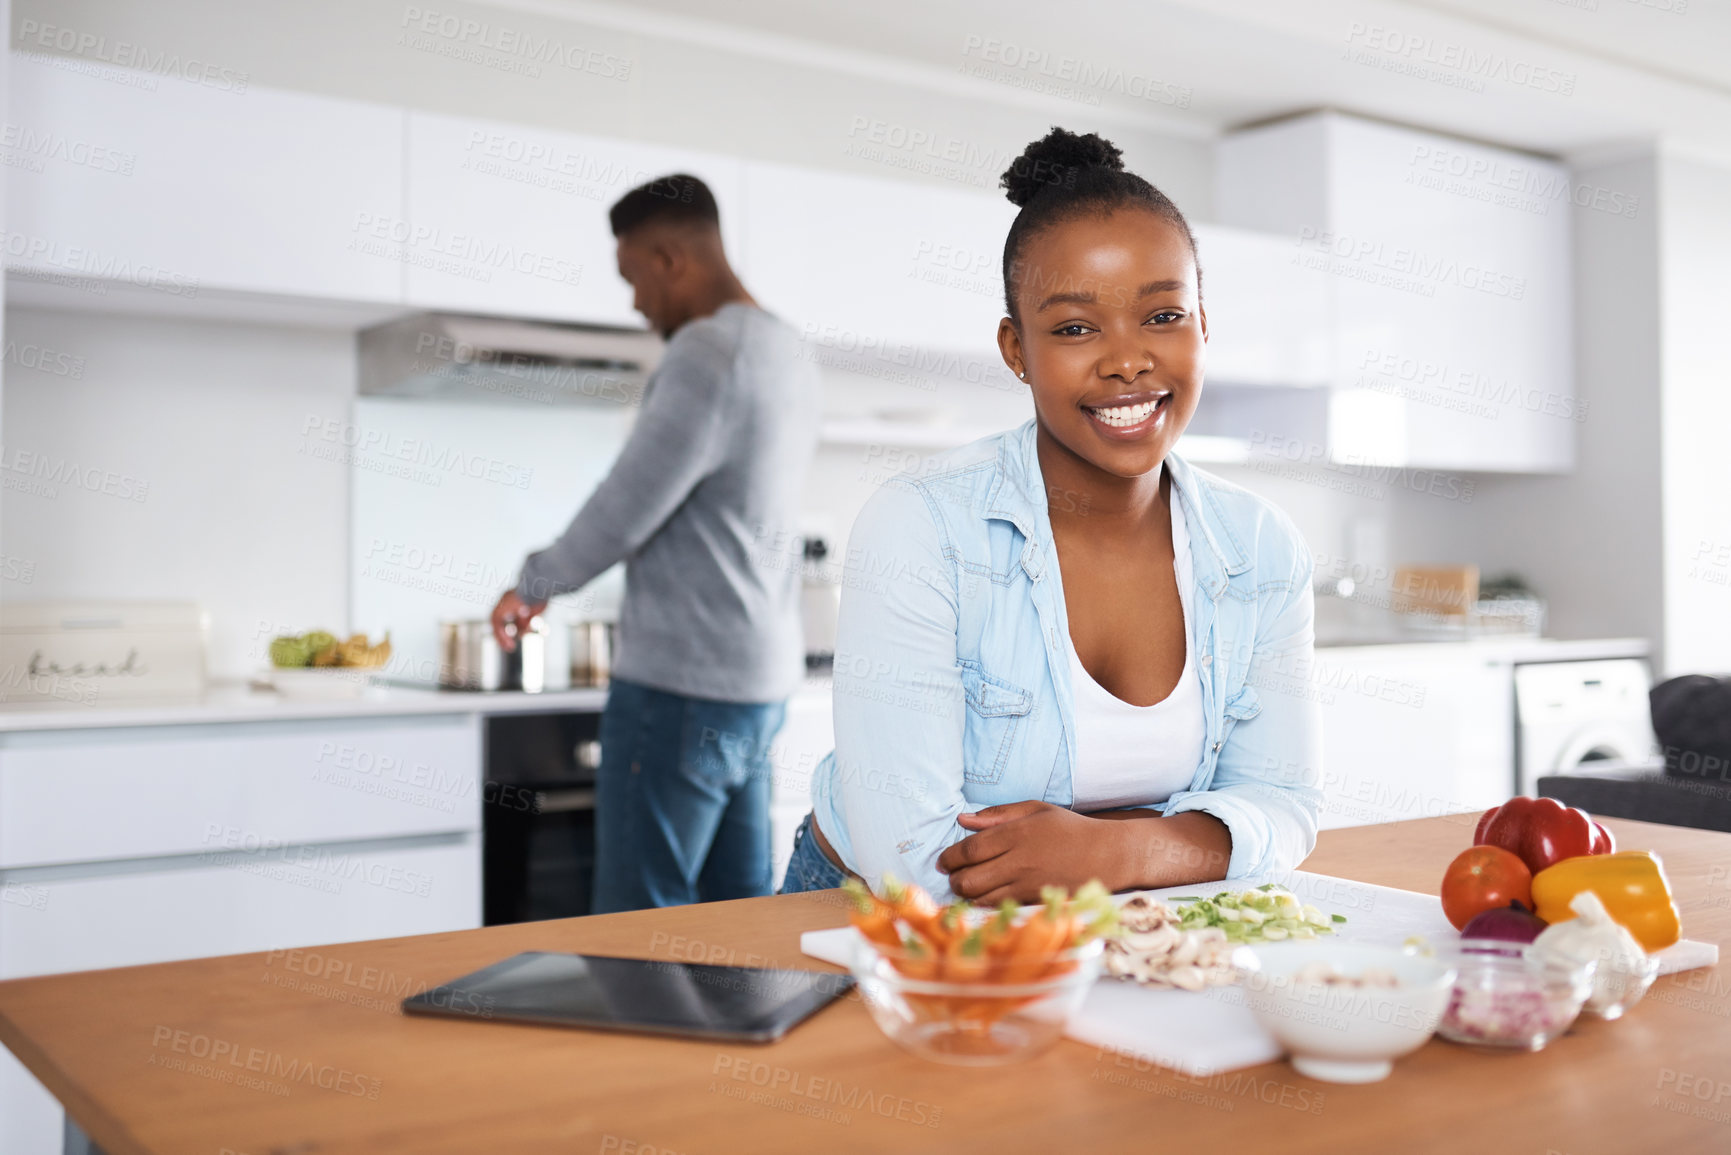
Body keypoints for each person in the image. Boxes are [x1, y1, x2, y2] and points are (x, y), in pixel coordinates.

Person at [780, 129, 1322, 903]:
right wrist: (1178, 840)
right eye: (1074, 328)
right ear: (1016, 350)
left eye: (1162, 315)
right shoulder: (923, 525)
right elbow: (912, 855)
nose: (1126, 360)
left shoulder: (1259, 544)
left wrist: (1109, 850)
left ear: (1204, 324)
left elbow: (1286, 807)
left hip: (1122, 915)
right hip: (871, 915)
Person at [492, 173, 820, 913]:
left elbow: (627, 503)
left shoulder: (709, 351)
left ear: (671, 257)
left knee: (639, 921)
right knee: (735, 915)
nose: (636, 303)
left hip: (682, 685)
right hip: (756, 682)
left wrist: (536, 581)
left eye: (633, 276)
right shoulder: (787, 349)